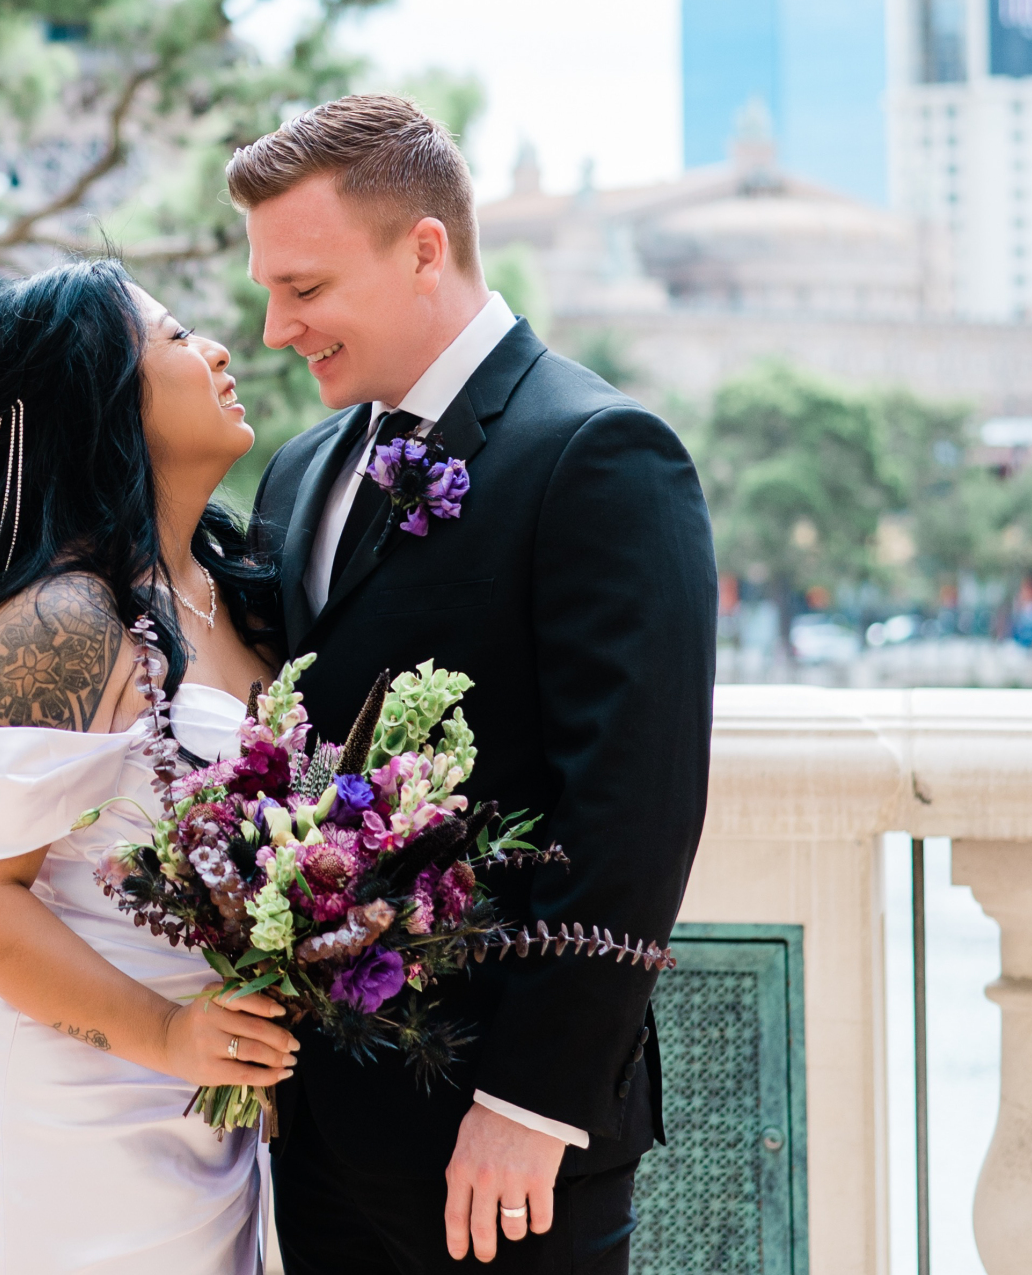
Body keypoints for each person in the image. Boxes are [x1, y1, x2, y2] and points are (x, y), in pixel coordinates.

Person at [232, 95, 715, 1275]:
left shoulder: (601, 452)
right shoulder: (299, 472)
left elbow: (636, 804)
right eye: (268, 290)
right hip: (317, 1127)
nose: (275, 326)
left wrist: (530, 1101)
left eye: (304, 288)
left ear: (424, 251)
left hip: (503, 1143)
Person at [0, 260, 293, 1275]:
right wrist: (170, 1035)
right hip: (54, 1120)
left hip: (208, 1118)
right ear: (103, 400)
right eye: (177, 337)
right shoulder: (66, 621)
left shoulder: (239, 597)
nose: (219, 351)